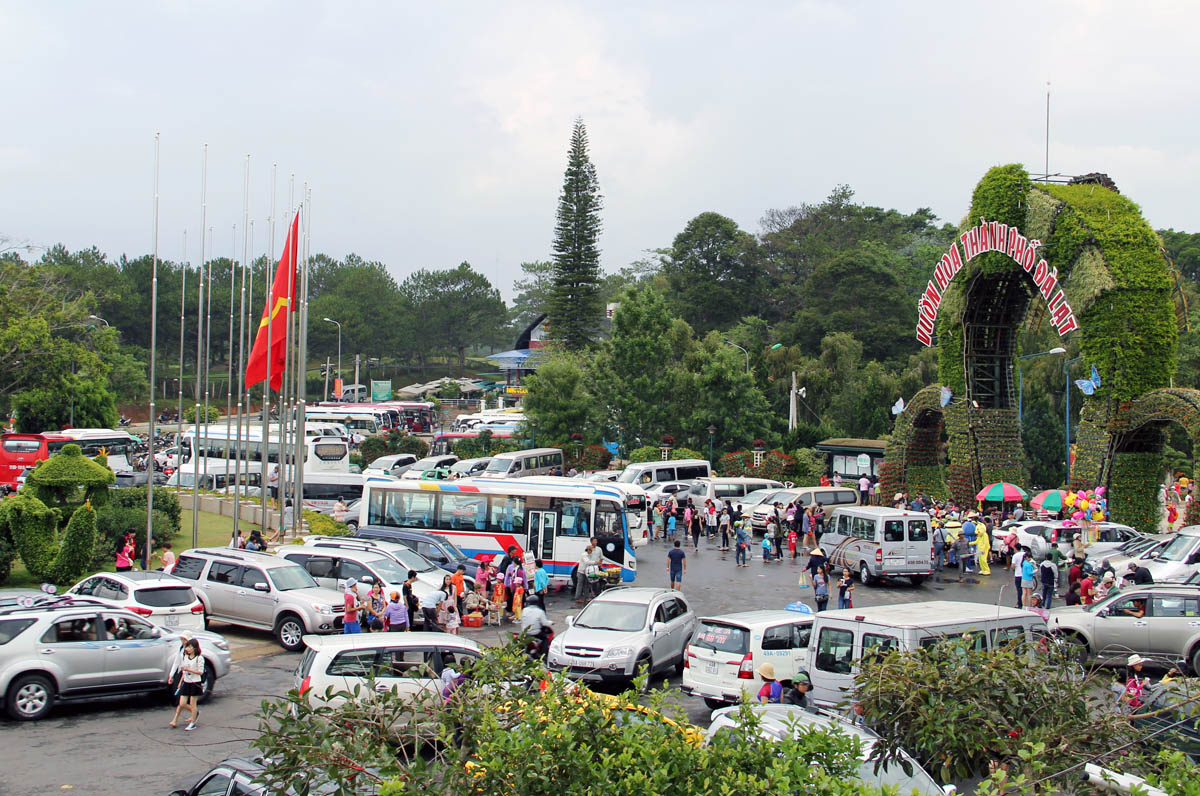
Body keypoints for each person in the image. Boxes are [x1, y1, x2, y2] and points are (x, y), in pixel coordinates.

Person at [169, 639, 204, 731]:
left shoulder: (199, 658)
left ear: (195, 648)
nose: (187, 649)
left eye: (190, 647)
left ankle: (193, 723)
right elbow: (184, 671)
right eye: (187, 647)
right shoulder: (186, 657)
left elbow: (200, 672)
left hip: (195, 683)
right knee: (182, 703)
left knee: (193, 703)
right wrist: (181, 682)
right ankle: (195, 714)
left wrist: (189, 670)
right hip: (186, 682)